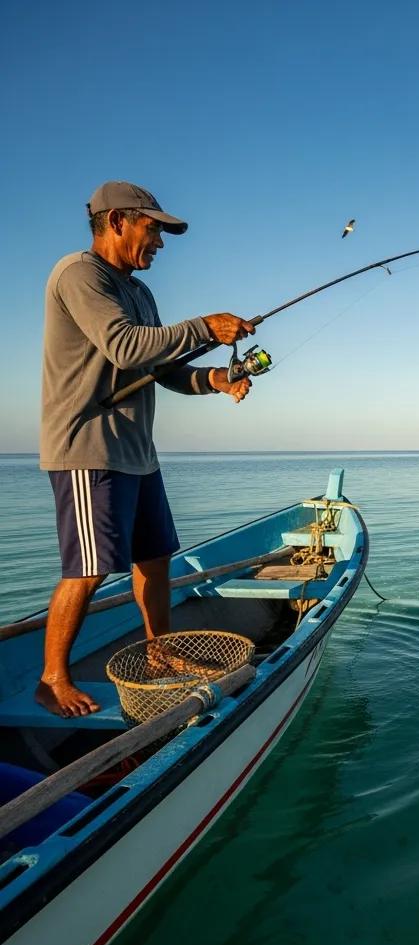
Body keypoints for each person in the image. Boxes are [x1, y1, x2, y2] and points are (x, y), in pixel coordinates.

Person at [37, 180, 255, 718]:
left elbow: (161, 369)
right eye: (152, 228)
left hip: (137, 453)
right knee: (88, 569)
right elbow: (124, 346)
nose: (159, 242)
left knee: (156, 560)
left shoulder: (141, 292)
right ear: (116, 221)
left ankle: (160, 655)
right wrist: (204, 324)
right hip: (89, 449)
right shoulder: (79, 274)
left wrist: (219, 381)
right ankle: (50, 677)